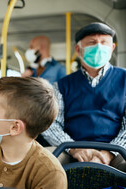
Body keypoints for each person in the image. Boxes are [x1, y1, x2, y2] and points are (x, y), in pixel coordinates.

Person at [42, 22, 126, 172]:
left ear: (112, 48)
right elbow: (51, 124)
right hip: (71, 148)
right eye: (92, 43)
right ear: (78, 49)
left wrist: (108, 154)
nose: (99, 47)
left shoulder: (124, 79)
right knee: (41, 162)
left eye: (104, 42)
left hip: (116, 151)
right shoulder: (62, 86)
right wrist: (75, 149)